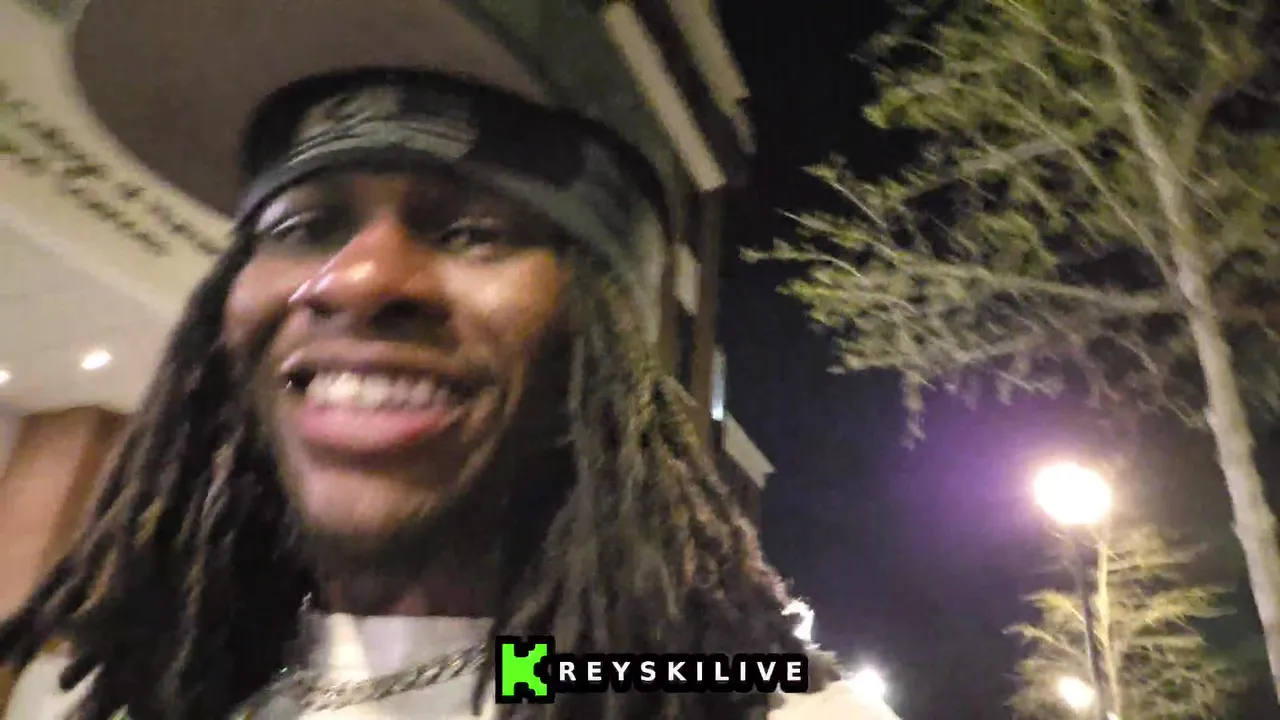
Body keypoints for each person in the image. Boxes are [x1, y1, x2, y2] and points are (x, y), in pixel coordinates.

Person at [1, 2, 896, 719]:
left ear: (603, 344)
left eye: (472, 231)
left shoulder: (699, 695)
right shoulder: (105, 692)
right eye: (300, 226)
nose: (355, 280)